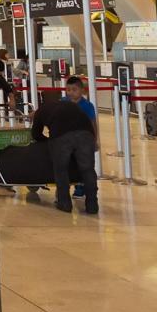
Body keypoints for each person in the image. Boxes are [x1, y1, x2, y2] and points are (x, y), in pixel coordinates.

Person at [31, 76, 99, 214]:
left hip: (62, 136)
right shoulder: (65, 104)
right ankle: (92, 205)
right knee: (88, 169)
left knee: (61, 169)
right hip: (85, 134)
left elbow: (36, 135)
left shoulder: (41, 112)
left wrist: (47, 141)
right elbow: (91, 124)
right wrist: (94, 140)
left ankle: (64, 203)